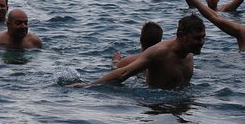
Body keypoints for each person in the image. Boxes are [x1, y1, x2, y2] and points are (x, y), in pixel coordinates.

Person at [73, 14, 206, 89]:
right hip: (157, 112)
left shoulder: (189, 53)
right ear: (181, 36)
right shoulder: (159, 53)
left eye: (203, 38)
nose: (201, 42)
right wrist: (88, 86)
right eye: (197, 38)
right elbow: (123, 73)